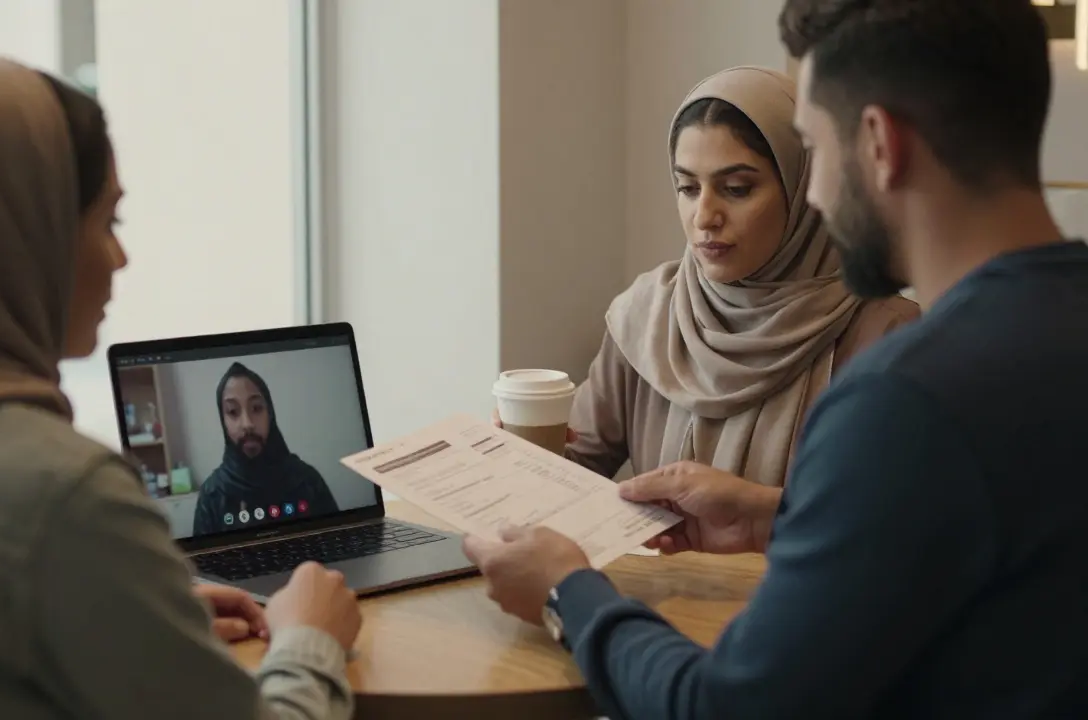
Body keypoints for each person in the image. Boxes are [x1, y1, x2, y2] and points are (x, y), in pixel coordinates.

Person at [463, 1, 1088, 718]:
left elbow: (725, 709)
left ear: (880, 144)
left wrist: (567, 593)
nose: (814, 192)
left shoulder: (905, 399)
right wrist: (778, 518)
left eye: (814, 152)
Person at [0, 58, 361, 720]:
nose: (119, 258)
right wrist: (309, 639)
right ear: (19, 239)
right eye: (109, 223)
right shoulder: (62, 495)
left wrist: (132, 615)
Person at [561, 65, 917, 487]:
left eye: (736, 189)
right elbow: (569, 471)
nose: (705, 217)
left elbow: (891, 522)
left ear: (800, 188)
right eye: (688, 189)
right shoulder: (646, 315)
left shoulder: (886, 336)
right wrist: (514, 452)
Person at [193, 361, 340, 534]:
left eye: (256, 408)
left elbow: (340, 544)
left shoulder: (307, 481)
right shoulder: (212, 495)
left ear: (269, 413)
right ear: (223, 421)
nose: (247, 424)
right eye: (233, 412)